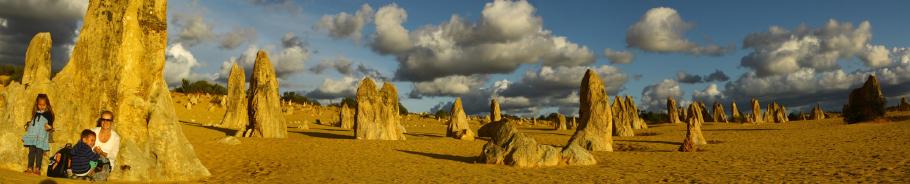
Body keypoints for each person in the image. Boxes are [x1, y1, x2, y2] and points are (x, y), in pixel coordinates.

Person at [21, 94, 54, 176]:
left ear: (47, 104)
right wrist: (28, 130)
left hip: (41, 136)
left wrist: (49, 126)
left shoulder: (48, 114)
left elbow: (50, 124)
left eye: (44, 105)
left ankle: (37, 169)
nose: (41, 106)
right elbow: (33, 123)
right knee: (31, 152)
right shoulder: (36, 113)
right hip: (33, 135)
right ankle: (29, 167)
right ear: (37, 104)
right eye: (40, 105)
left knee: (39, 152)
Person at [90, 111, 120, 181]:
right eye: (103, 119)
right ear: (100, 121)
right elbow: (84, 146)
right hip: (91, 160)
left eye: (108, 120)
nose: (105, 122)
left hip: (105, 164)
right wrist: (93, 149)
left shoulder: (116, 137)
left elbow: (113, 156)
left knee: (102, 160)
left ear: (111, 122)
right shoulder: (92, 131)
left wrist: (101, 153)